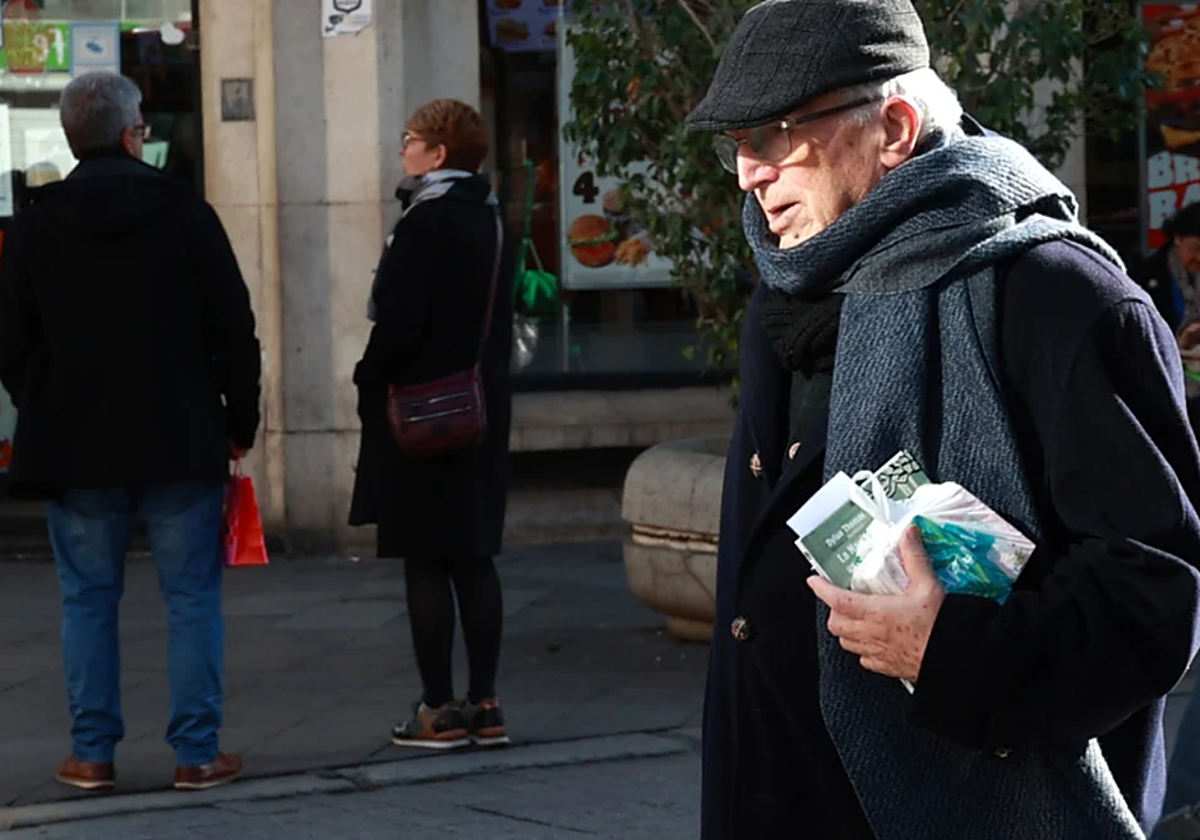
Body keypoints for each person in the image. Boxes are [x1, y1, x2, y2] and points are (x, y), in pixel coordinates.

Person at [684, 1, 1200, 838]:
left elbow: (1155, 599)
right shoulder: (787, 295)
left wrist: (954, 655)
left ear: (892, 128)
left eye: (774, 134)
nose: (748, 172)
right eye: (734, 144)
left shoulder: (1063, 299)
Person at [0, 72, 260, 792]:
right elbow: (233, 327)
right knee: (191, 597)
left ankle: (92, 754)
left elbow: (10, 341)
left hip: (76, 441)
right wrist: (239, 419)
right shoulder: (184, 210)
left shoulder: (38, 222)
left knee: (86, 598)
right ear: (129, 133)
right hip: (179, 432)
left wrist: (45, 399)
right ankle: (197, 753)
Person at [349, 99, 514, 749]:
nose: (402, 150)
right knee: (473, 557)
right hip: (479, 409)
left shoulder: (425, 223)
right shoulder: (492, 220)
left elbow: (398, 322)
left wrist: (369, 377)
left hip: (421, 411)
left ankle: (439, 709)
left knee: (425, 558)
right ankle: (489, 703)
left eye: (411, 139)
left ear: (439, 154)